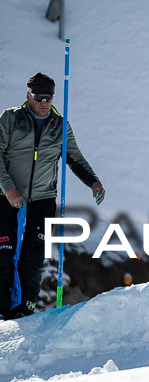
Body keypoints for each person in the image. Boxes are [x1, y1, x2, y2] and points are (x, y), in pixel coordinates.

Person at [0, 72, 105, 320]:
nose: (44, 102)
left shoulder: (60, 125)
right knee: (4, 255)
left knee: (33, 259)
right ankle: (2, 310)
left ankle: (24, 311)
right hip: (7, 199)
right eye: (39, 97)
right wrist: (8, 188)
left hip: (43, 200)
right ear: (28, 96)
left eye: (48, 98)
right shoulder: (11, 119)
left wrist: (94, 182)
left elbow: (75, 158)